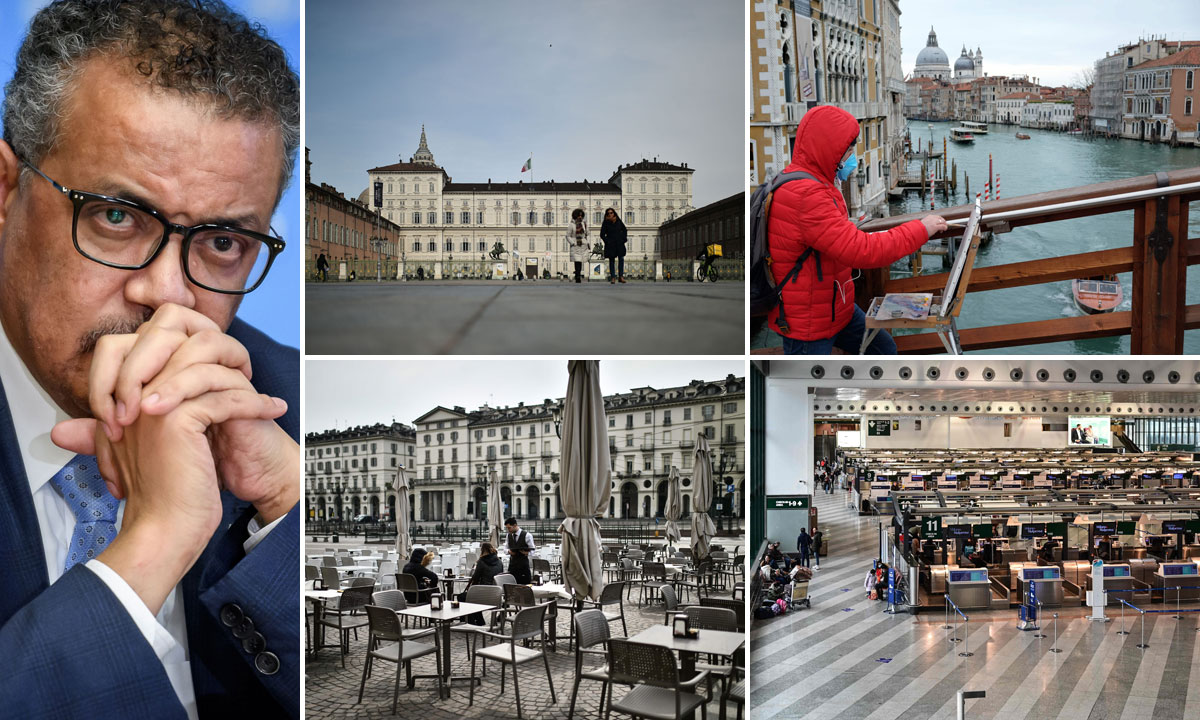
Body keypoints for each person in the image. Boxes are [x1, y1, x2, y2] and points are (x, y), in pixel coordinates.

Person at [0, 1, 301, 717]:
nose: (167, 294)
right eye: (116, 215)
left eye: (222, 241)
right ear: (6, 190)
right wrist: (152, 547)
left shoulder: (288, 403)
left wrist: (290, 512)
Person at [766, 105, 948, 354]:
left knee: (883, 350)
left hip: (834, 308)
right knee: (812, 386)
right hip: (809, 322)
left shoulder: (812, 182)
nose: (852, 153)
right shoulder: (806, 194)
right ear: (828, 147)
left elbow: (832, 237)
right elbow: (862, 251)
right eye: (848, 148)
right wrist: (921, 229)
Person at [599, 207, 627, 284]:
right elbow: (602, 234)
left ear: (614, 213)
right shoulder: (605, 222)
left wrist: (623, 239)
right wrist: (607, 241)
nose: (610, 214)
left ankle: (621, 276)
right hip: (611, 244)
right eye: (608, 213)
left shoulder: (618, 221)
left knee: (621, 259)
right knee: (611, 260)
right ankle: (613, 277)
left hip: (619, 243)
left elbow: (624, 230)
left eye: (611, 213)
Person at [504, 517, 535, 584]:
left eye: (509, 528)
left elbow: (533, 550)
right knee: (512, 586)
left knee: (524, 586)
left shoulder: (527, 535)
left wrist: (526, 553)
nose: (508, 530)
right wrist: (509, 552)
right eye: (507, 528)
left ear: (515, 525)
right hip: (512, 565)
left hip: (523, 566)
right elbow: (505, 549)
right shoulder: (508, 535)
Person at [566, 208, 588, 283]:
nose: (580, 217)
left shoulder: (584, 224)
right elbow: (568, 236)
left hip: (582, 244)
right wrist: (573, 243)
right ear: (575, 216)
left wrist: (586, 242)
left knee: (581, 260)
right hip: (575, 244)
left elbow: (587, 234)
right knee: (577, 260)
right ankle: (577, 275)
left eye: (581, 216)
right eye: (579, 215)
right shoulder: (571, 225)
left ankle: (578, 274)